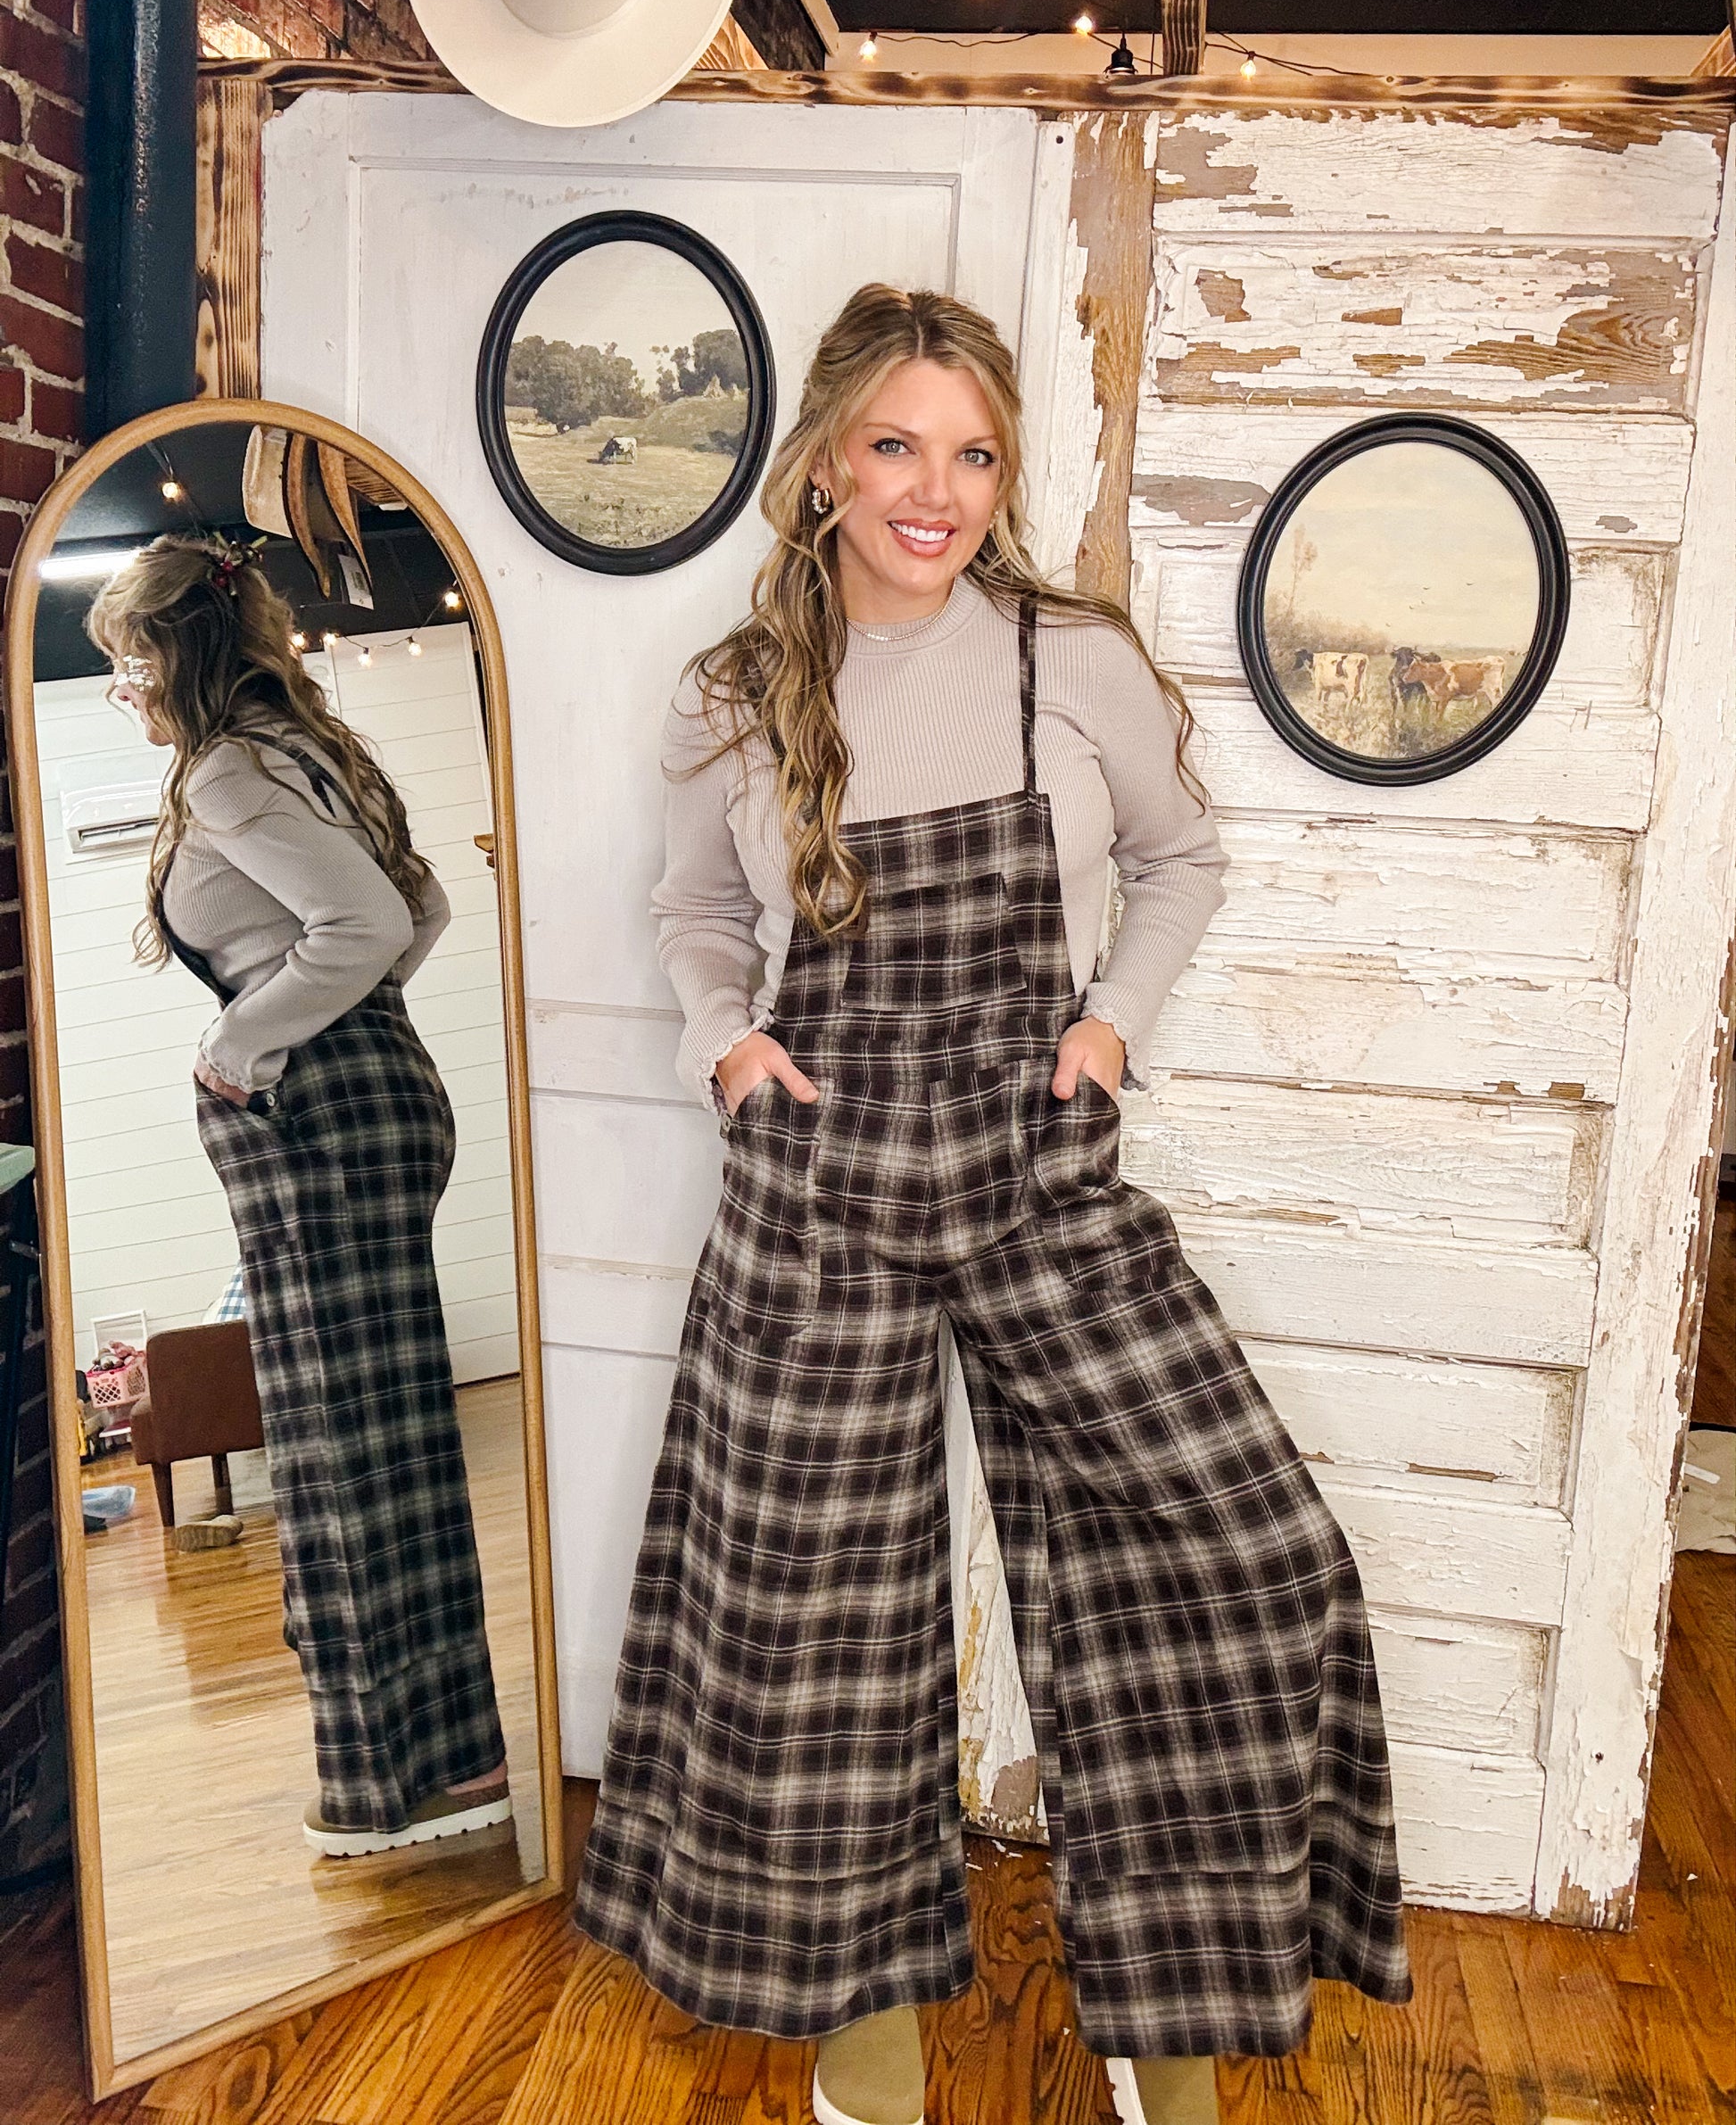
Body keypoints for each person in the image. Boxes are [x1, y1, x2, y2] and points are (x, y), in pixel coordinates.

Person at [575, 285, 1413, 2125]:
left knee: (1243, 1553)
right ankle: (855, 2005)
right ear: (823, 460)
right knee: (803, 1611)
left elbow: (1181, 861)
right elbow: (693, 908)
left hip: (1040, 1175)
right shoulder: (734, 692)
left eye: (970, 455)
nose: (933, 492)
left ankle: (1166, 2006)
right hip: (820, 1186)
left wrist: (1109, 1025)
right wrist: (727, 1043)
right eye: (895, 445)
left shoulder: (1070, 659)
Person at [89, 533, 510, 1860]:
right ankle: (458, 1757)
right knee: (390, 1442)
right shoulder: (316, 749)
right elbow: (420, 908)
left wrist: (240, 1047)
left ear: (176, 653)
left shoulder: (228, 767)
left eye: (128, 661)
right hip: (378, 1097)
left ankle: (393, 1787)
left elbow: (371, 926)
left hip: (316, 1117)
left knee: (336, 1455)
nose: (122, 689)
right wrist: (348, 1017)